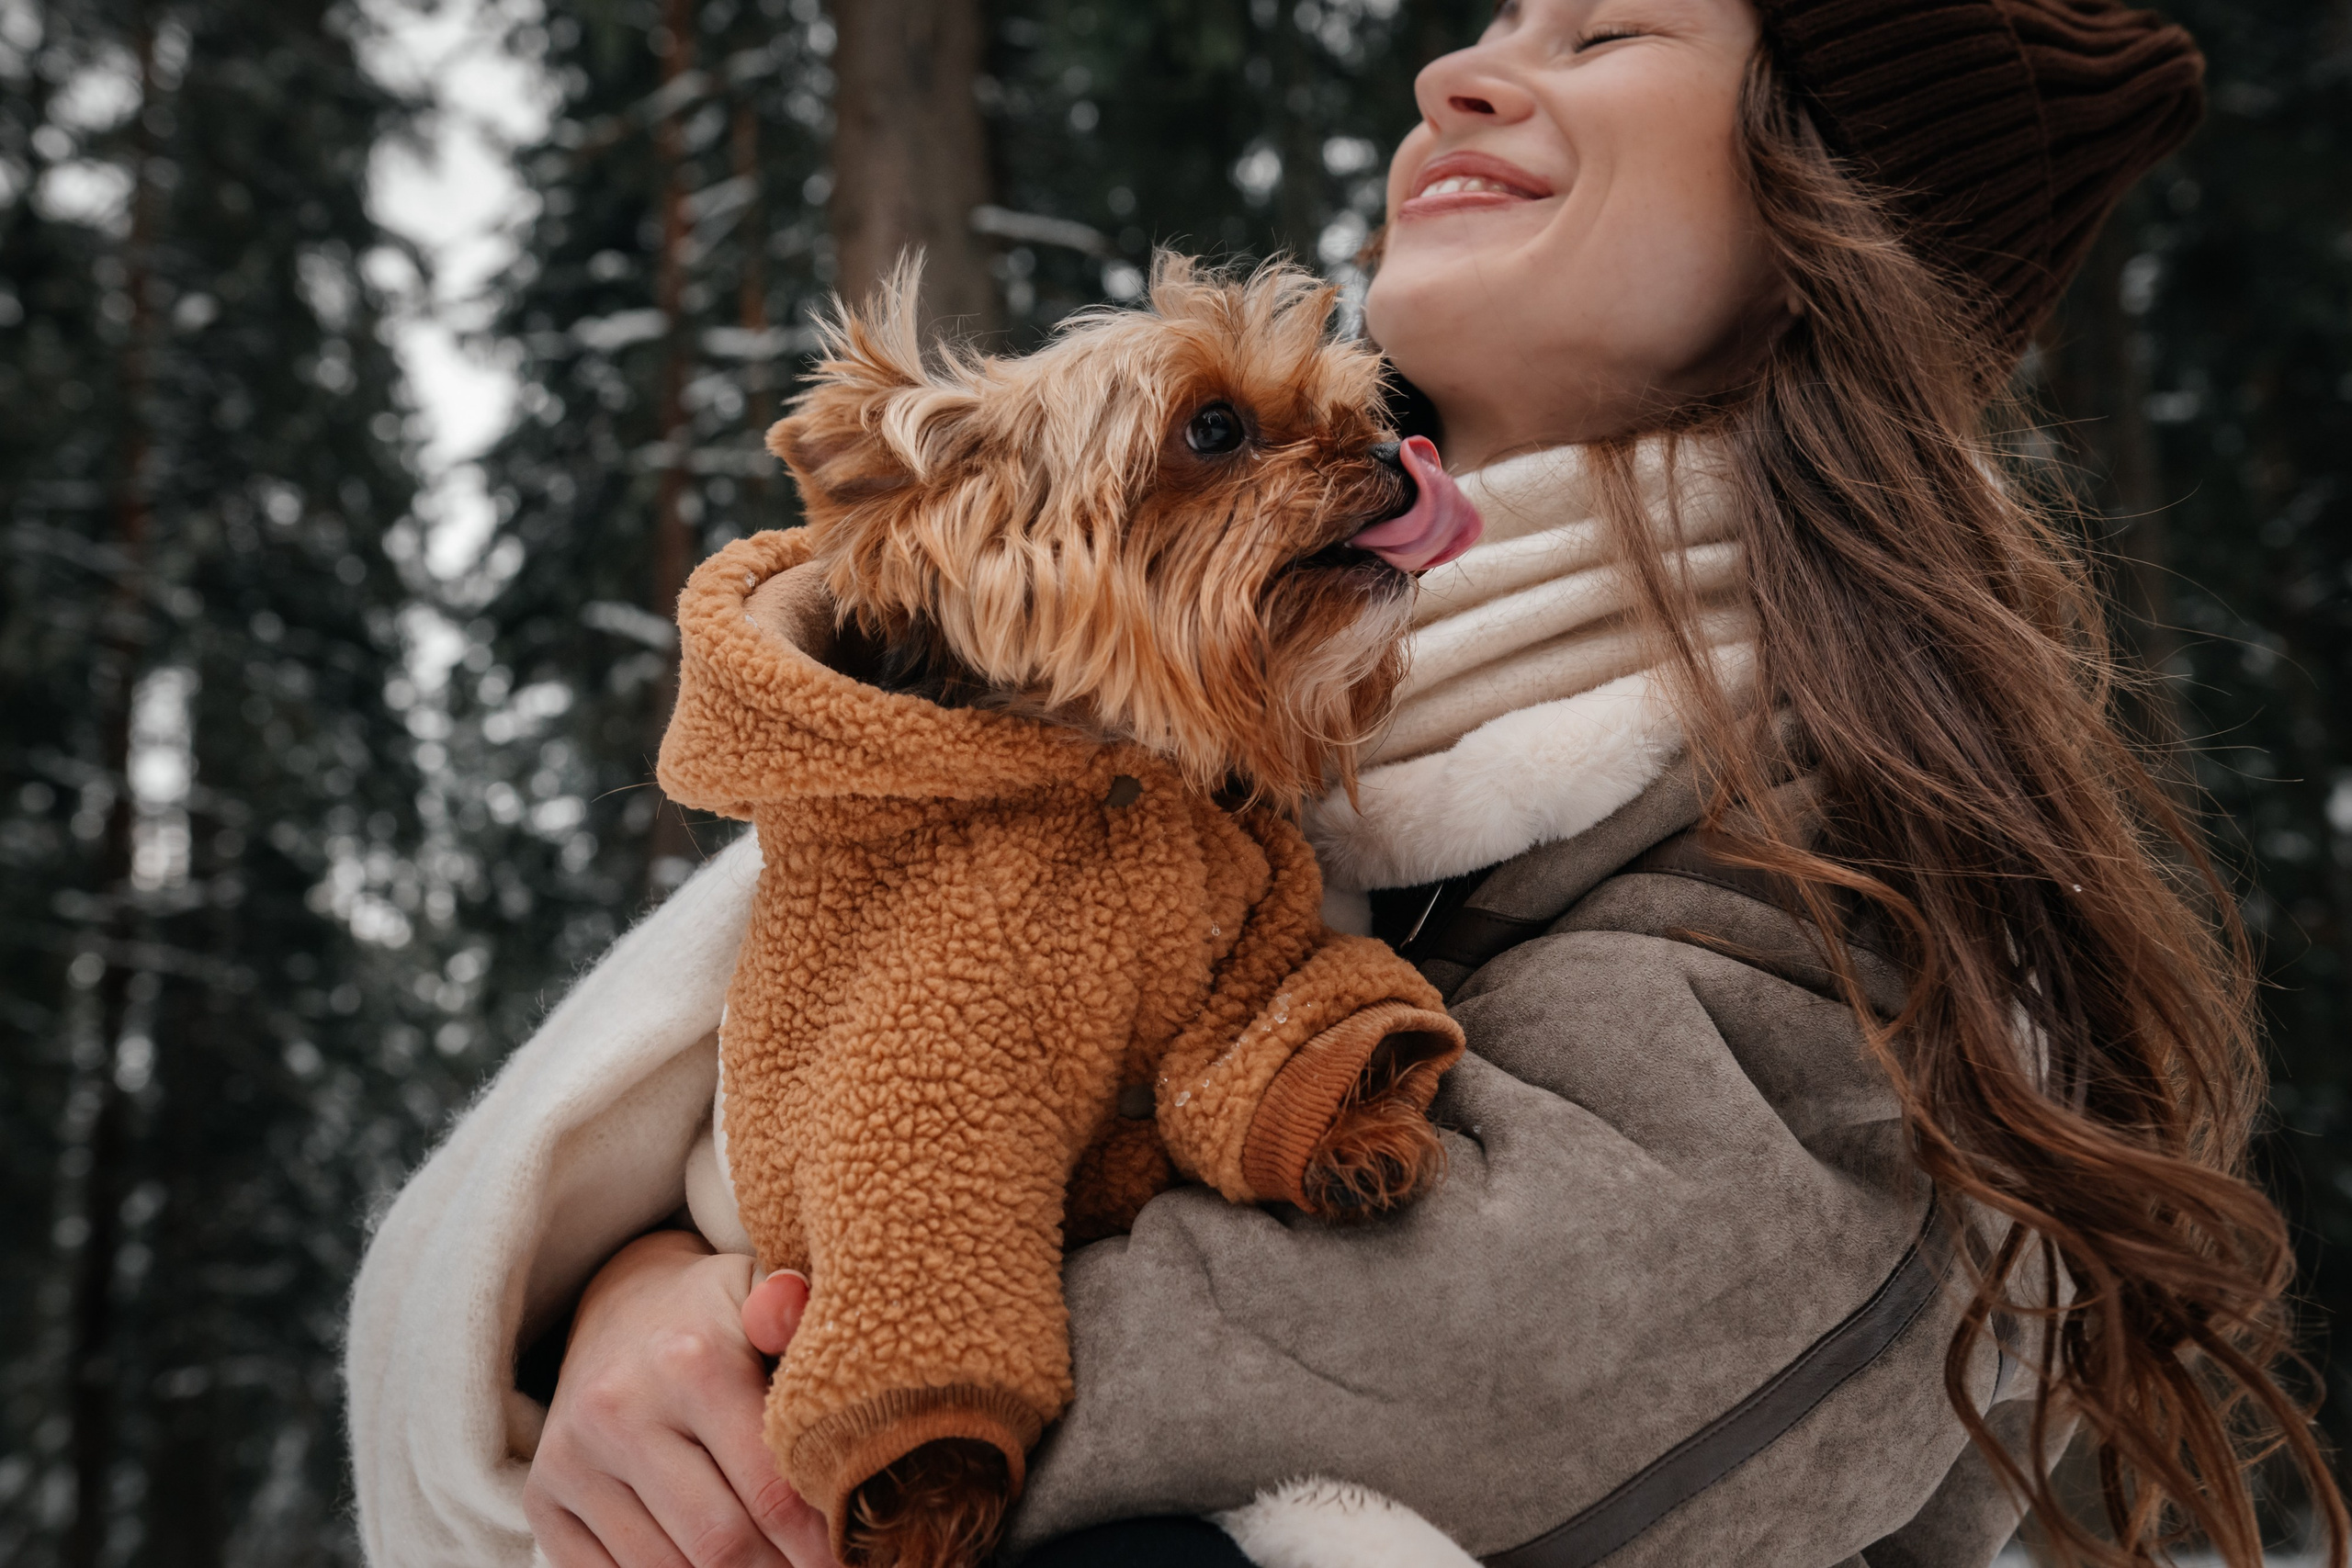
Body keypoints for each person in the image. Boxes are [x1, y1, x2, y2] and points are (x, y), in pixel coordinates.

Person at [345, 1, 2352, 1565]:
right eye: (1484, 25)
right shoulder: (1092, 709)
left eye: (1601, 32)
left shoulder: (1854, 857)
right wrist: (617, 1304)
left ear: (1839, 213)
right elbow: (734, 1095)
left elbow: (1472, 1355)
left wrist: (776, 1401)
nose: (1454, 69)